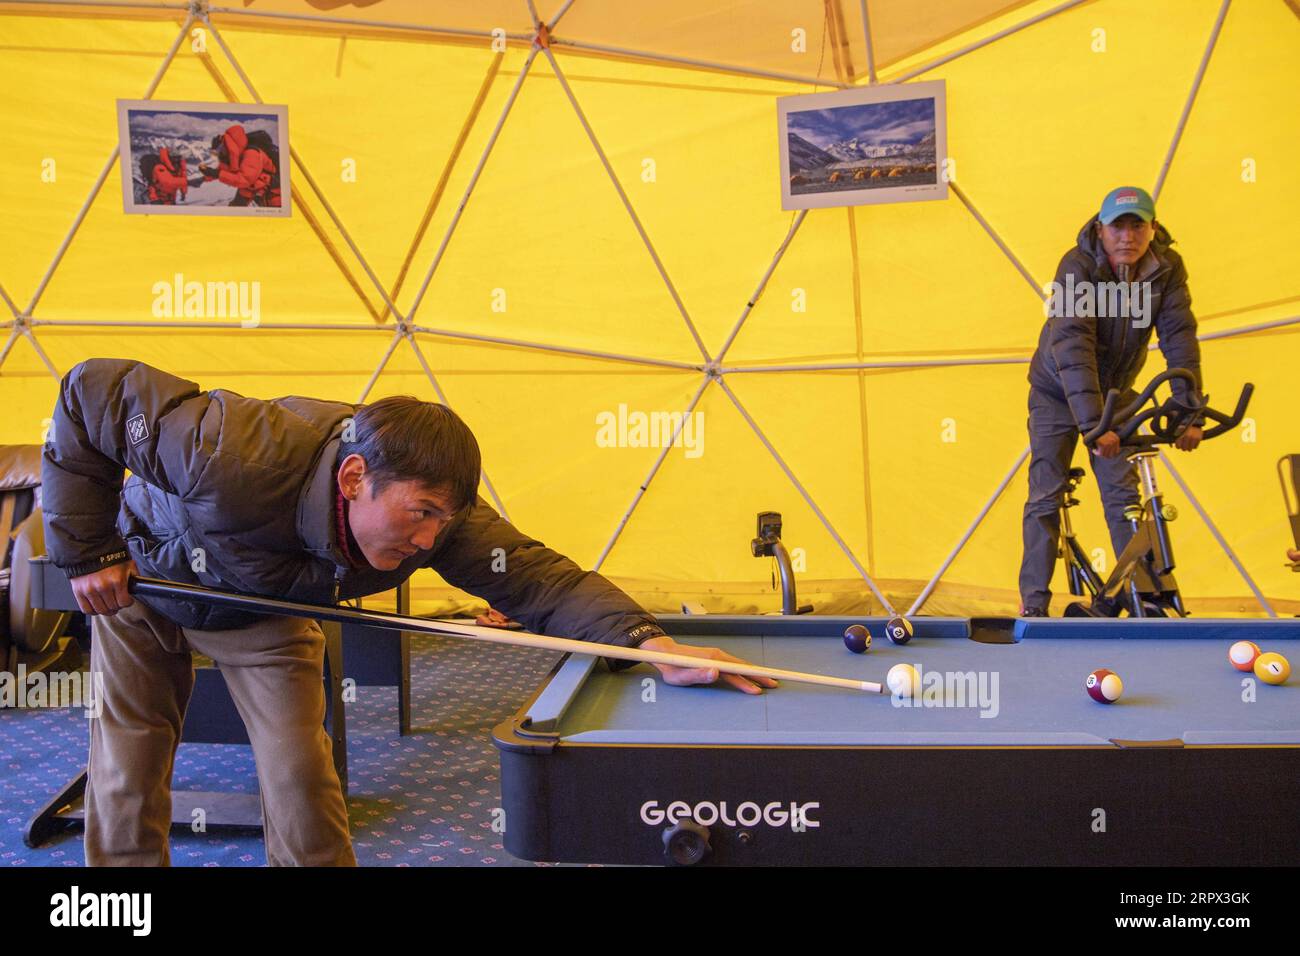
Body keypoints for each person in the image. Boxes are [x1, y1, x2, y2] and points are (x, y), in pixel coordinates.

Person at [41, 358, 775, 866]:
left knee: (299, 769)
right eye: (419, 514)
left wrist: (651, 643)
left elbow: (537, 580)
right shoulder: (231, 451)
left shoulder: (439, 523)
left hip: (263, 604)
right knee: (129, 760)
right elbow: (88, 395)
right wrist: (89, 552)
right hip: (137, 574)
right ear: (355, 476)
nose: (429, 541)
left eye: (441, 522)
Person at [1019, 186, 1203, 616]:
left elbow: (1179, 336)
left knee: (1124, 498)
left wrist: (1189, 411)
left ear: (1152, 228)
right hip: (1057, 392)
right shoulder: (1078, 266)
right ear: (1100, 229)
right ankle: (1034, 607)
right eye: (1117, 225)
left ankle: (1140, 599)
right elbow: (1072, 343)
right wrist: (1093, 426)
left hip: (1116, 394)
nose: (1127, 236)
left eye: (1137, 224)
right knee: (1046, 494)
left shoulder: (1167, 268)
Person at [199, 124, 281, 207]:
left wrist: (216, 174)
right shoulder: (234, 156)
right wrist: (206, 175)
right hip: (253, 187)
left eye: (220, 148)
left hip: (273, 189)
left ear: (227, 144)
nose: (219, 152)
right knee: (236, 206)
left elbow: (245, 180)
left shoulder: (252, 153)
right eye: (216, 151)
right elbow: (223, 170)